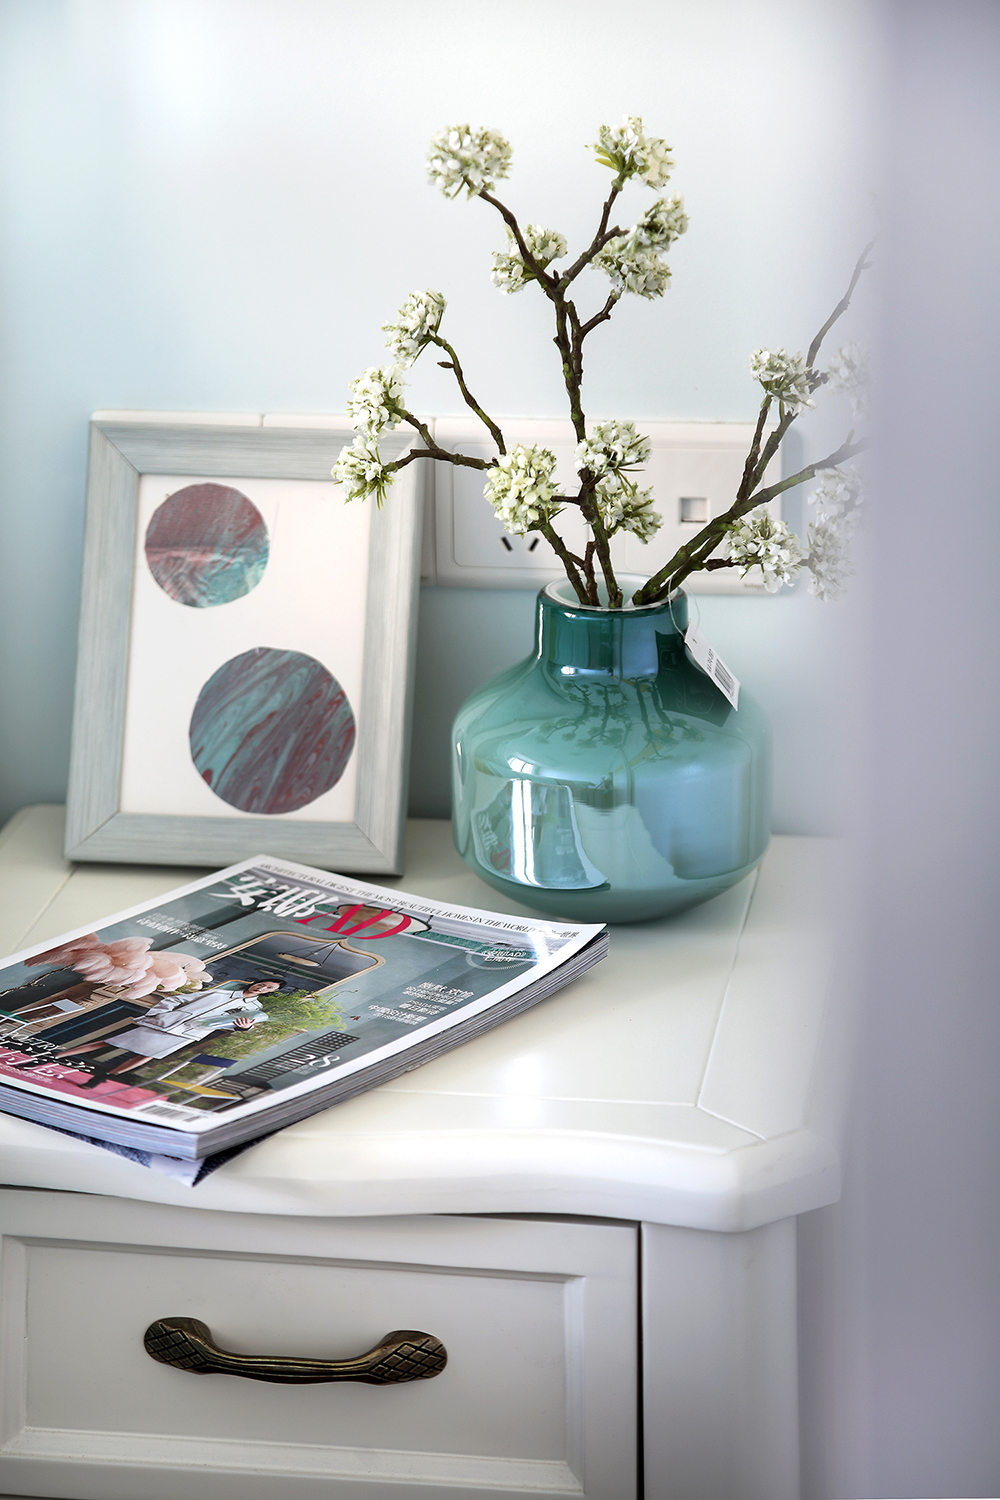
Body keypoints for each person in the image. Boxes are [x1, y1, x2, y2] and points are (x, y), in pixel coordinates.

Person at [41, 979, 279, 1089]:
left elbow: (227, 1025)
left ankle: (102, 1077)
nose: (263, 987)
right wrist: (158, 1015)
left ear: (268, 993)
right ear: (255, 982)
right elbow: (177, 999)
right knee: (108, 1042)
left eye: (269, 988)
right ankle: (54, 1057)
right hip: (164, 1023)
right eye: (263, 983)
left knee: (146, 1056)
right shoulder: (219, 993)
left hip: (188, 1033)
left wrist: (243, 1028)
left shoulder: (255, 1009)